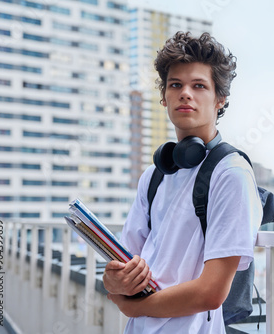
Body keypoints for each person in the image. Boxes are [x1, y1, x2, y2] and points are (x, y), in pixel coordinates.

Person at [103, 31, 263, 334]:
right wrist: (113, 281)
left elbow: (211, 292)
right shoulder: (154, 175)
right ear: (164, 97)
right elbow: (122, 266)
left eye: (199, 85)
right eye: (175, 85)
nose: (185, 93)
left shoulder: (231, 174)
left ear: (220, 100)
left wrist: (132, 306)